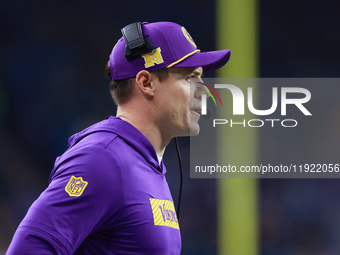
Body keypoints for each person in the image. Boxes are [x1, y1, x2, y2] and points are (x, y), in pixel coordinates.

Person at [6, 21, 231, 254]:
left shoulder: (142, 162)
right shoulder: (102, 159)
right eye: (190, 77)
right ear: (146, 83)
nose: (204, 89)